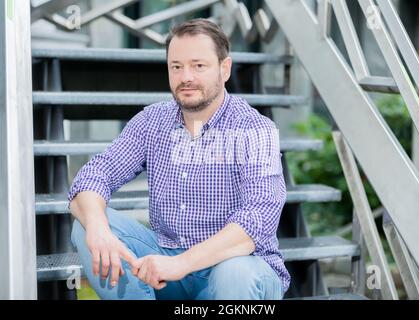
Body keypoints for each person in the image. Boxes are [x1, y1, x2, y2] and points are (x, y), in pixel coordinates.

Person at [69, 18, 290, 300]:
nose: (186, 76)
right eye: (176, 66)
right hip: (167, 265)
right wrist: (99, 230)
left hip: (237, 268)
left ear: (224, 68)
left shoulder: (254, 129)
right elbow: (94, 176)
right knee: (89, 223)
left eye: (199, 66)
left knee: (234, 274)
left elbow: (258, 219)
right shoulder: (151, 121)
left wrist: (180, 264)